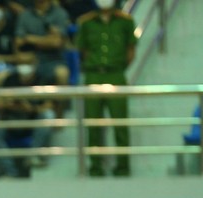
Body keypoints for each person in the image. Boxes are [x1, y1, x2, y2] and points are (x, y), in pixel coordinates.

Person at [75, 0, 136, 177]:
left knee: (120, 123)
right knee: (93, 123)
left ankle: (123, 167)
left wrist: (118, 67)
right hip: (93, 74)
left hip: (116, 74)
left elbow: (131, 50)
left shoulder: (125, 21)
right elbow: (83, 50)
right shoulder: (85, 22)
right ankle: (95, 167)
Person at [14, 0, 70, 88]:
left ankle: (57, 102)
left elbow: (56, 43)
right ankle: (24, 102)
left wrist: (30, 38)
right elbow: (18, 41)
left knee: (62, 73)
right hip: (29, 59)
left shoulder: (60, 14)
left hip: (53, 60)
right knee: (16, 74)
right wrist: (47, 40)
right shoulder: (25, 15)